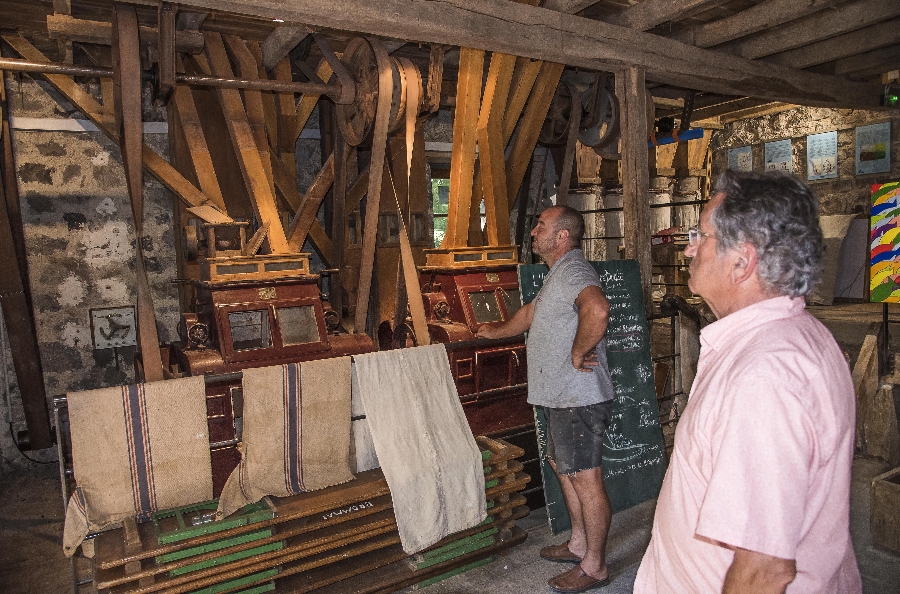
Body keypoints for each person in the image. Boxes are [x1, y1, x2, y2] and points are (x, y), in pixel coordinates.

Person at [634, 170, 861, 593]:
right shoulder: (792, 335)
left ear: (743, 261)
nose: (689, 249)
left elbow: (764, 571)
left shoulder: (764, 377)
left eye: (700, 237)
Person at [477, 205, 616, 593]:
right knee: (565, 469)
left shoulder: (574, 271)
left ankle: (595, 566)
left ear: (562, 237)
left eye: (541, 226)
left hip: (578, 397)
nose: (534, 231)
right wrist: (495, 332)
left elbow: (598, 309)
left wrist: (576, 352)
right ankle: (577, 544)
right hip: (560, 397)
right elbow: (530, 314)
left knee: (586, 479)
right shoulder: (557, 274)